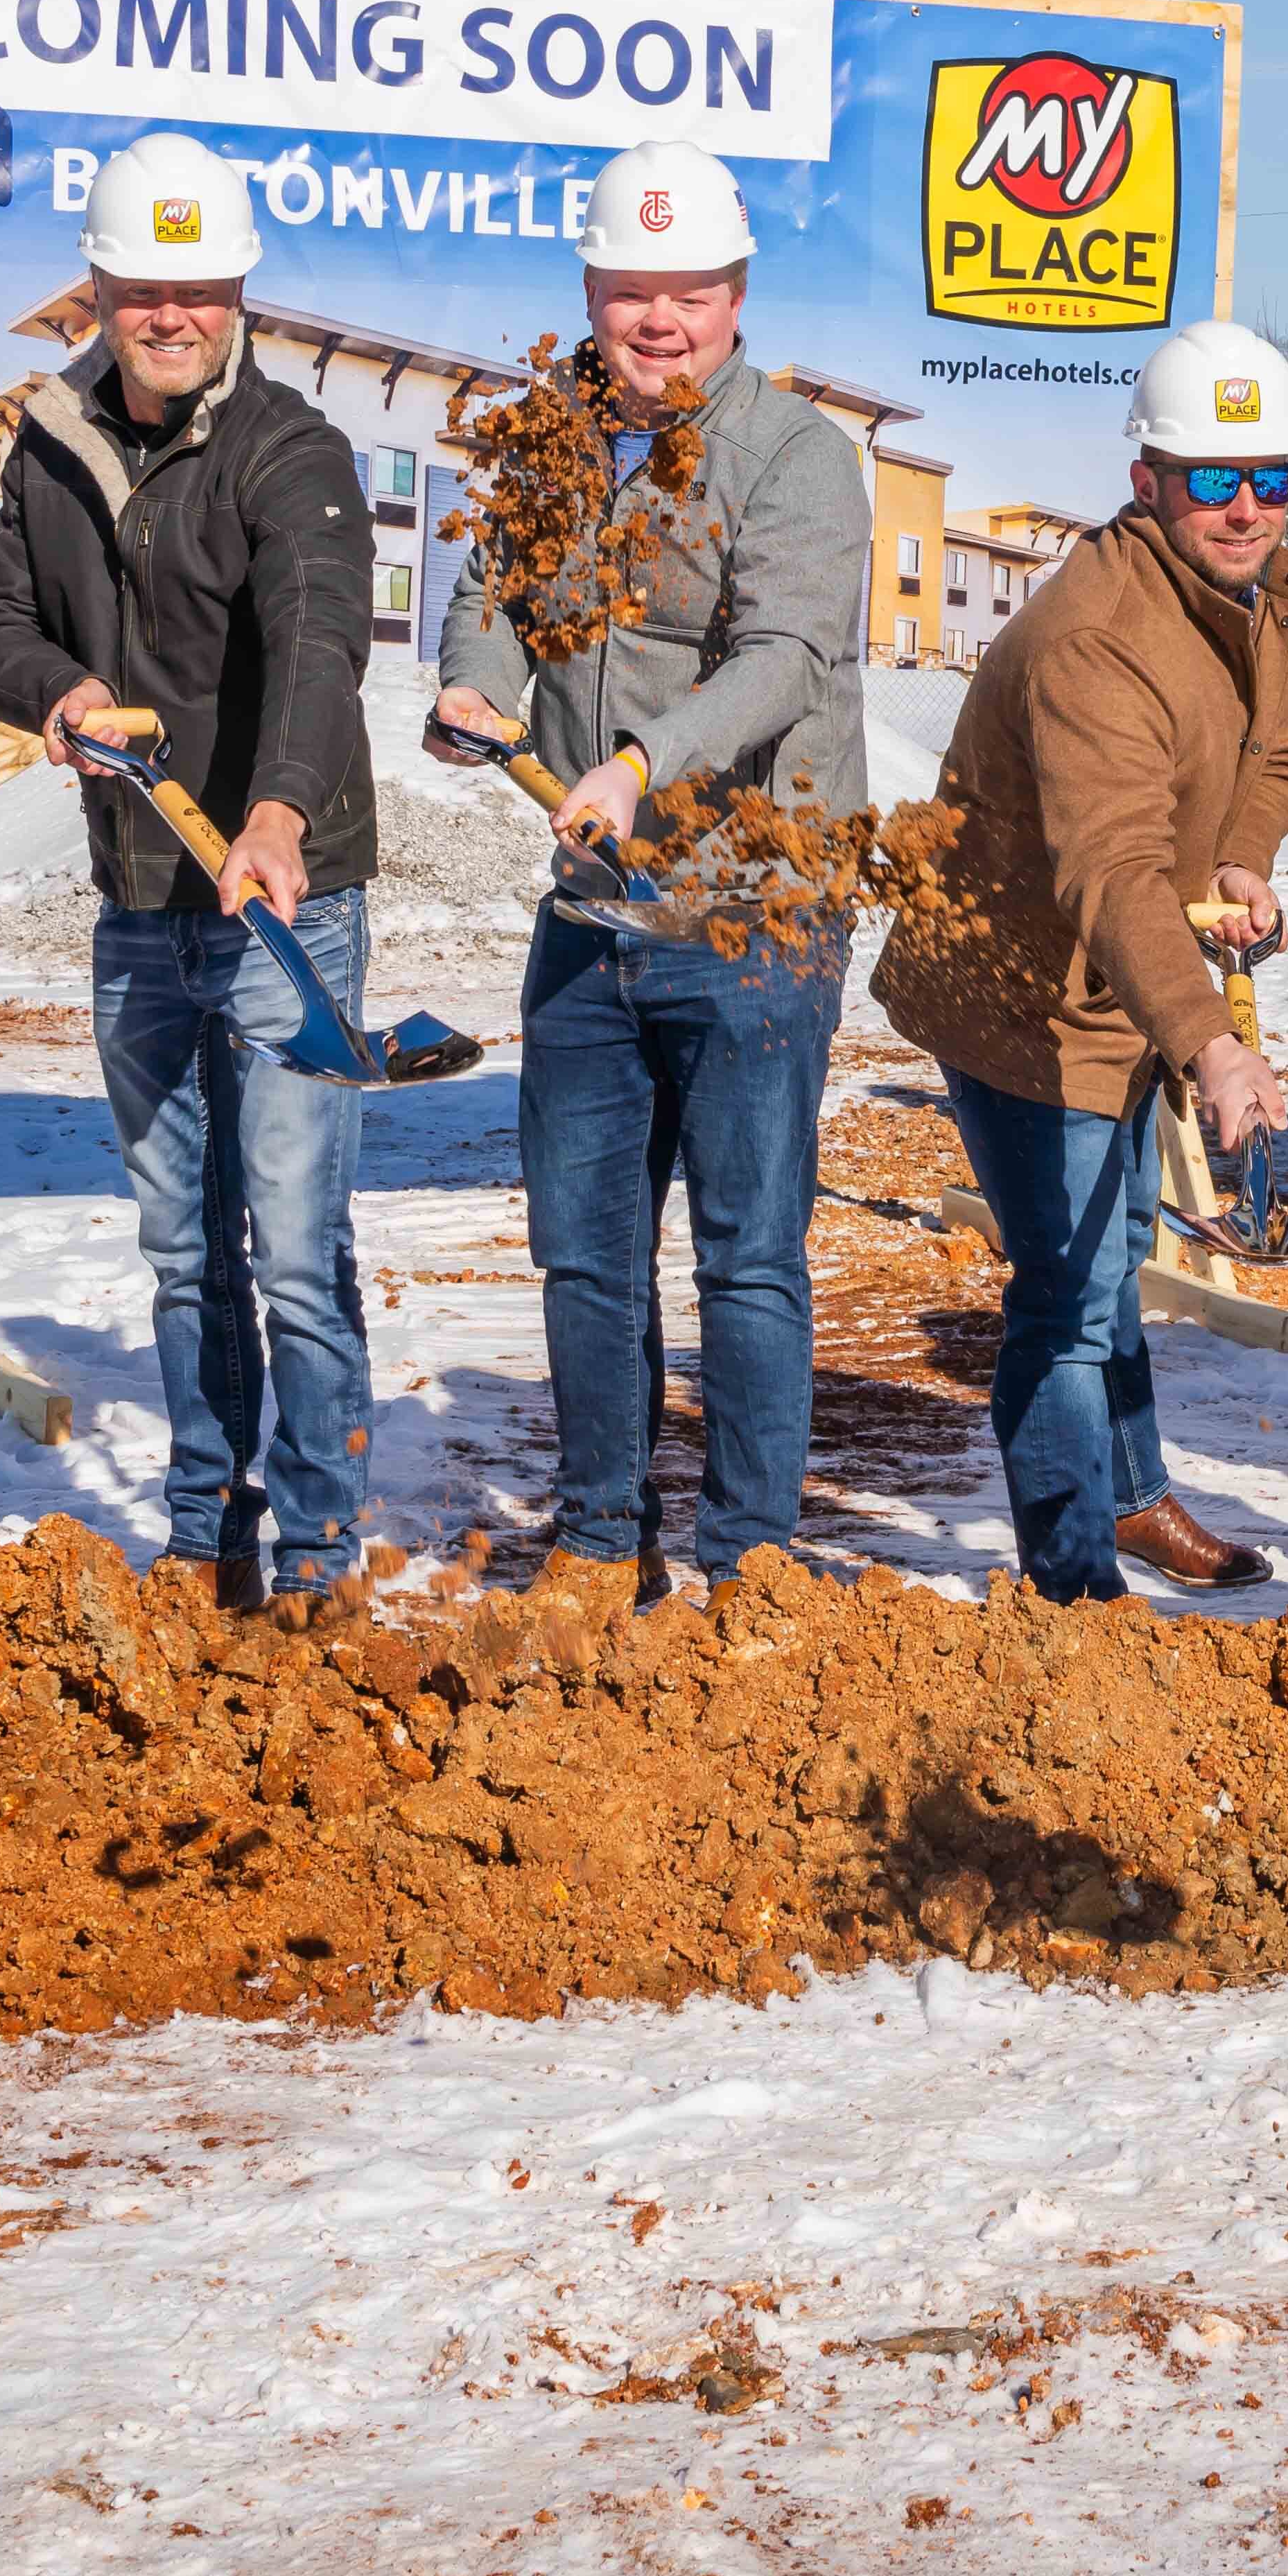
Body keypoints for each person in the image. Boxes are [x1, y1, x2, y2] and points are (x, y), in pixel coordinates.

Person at [430, 141, 869, 1604]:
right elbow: (491, 596)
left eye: (687, 292)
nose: (658, 320)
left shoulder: (801, 456)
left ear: (737, 295)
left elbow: (785, 656)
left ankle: (752, 1559)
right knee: (586, 1248)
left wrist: (639, 763)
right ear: (591, 294)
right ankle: (602, 1537)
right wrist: (474, 688)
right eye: (629, 293)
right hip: (594, 911)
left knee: (748, 1256)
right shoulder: (542, 444)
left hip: (755, 909)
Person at [0, 131, 385, 1614]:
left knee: (293, 1250)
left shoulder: (293, 451)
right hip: (141, 905)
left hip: (287, 904)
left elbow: (327, 642)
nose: (174, 315)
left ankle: (323, 1551)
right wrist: (57, 691)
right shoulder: (52, 449)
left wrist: (274, 814)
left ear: (237, 290)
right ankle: (208, 1533)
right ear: (101, 288)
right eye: (147, 287)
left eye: (201, 288)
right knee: (180, 1250)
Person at [878, 320, 1288, 1601]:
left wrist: (1237, 858)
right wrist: (1216, 1042)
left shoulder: (1252, 590)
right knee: (1067, 1295)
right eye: (1211, 479)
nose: (1246, 508)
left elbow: (1272, 756)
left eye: (1271, 479)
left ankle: (1130, 1499)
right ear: (1147, 480)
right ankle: (1073, 1587)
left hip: (1128, 979)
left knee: (1118, 1249)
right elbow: (1111, 871)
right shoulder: (1097, 636)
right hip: (1026, 996)